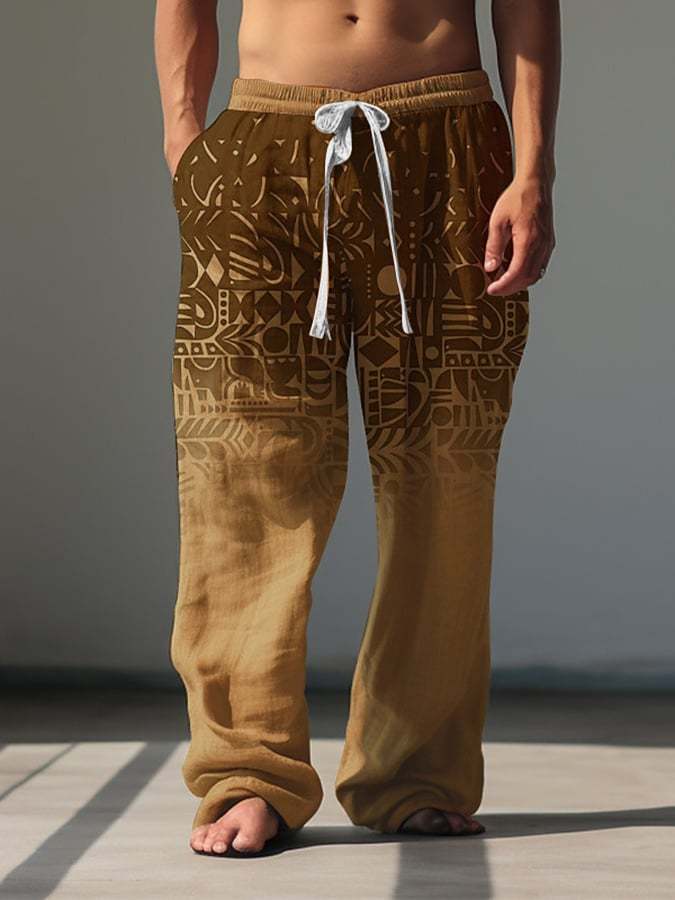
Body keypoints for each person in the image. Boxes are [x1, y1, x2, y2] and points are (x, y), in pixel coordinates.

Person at [155, 0, 559, 856]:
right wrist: (182, 135)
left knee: (444, 471)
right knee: (240, 473)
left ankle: (413, 770)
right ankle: (246, 772)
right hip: (261, 148)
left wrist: (531, 173)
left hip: (450, 145)